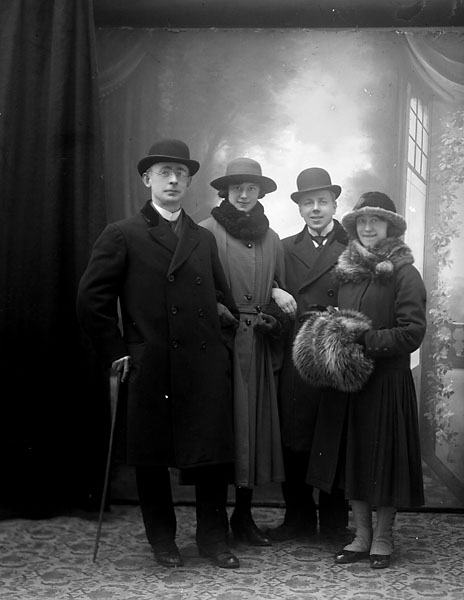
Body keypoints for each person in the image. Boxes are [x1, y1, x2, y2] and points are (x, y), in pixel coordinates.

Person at [76, 138, 241, 569]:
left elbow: (222, 299)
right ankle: (162, 541)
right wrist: (118, 352)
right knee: (152, 458)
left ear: (188, 183)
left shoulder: (202, 238)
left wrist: (222, 344)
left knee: (211, 456)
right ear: (147, 179)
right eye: (164, 173)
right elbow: (91, 302)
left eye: (181, 174)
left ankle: (213, 539)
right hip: (151, 363)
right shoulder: (123, 234)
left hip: (203, 363)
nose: (173, 180)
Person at [294, 191, 426, 569]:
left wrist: (364, 339)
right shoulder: (347, 273)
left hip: (387, 382)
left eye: (376, 221)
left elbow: (412, 332)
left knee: (383, 461)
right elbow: (344, 318)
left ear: (390, 227)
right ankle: (362, 536)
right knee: (355, 459)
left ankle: (383, 538)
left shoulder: (405, 273)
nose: (368, 228)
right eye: (362, 221)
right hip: (351, 381)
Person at [199, 157, 296, 546]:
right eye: (237, 187)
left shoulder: (272, 238)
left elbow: (280, 293)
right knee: (220, 430)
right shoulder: (206, 232)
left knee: (252, 430)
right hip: (218, 345)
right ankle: (213, 523)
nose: (243, 194)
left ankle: (243, 516)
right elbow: (193, 289)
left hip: (257, 346)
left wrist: (275, 299)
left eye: (251, 188)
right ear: (225, 191)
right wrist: (215, 308)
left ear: (260, 193)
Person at [267, 167, 350, 542]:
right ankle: (297, 518)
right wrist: (273, 289)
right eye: (308, 203)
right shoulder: (283, 248)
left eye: (322, 201)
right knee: (295, 439)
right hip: (297, 354)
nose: (316, 209)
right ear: (299, 209)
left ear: (334, 205)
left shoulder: (354, 250)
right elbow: (265, 291)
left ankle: (334, 523)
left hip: (335, 355)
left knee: (335, 437)